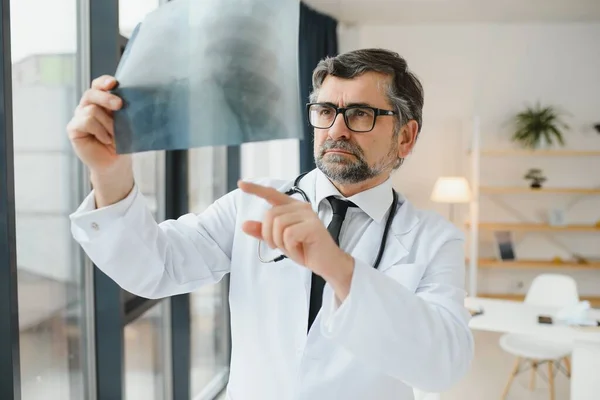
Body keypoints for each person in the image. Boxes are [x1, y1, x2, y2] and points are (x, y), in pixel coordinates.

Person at [67, 48, 474, 400]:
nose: (336, 130)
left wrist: (337, 266)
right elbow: (155, 268)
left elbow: (444, 364)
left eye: (361, 114)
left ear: (405, 137)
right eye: (326, 111)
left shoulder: (434, 240)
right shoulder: (252, 202)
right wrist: (109, 173)